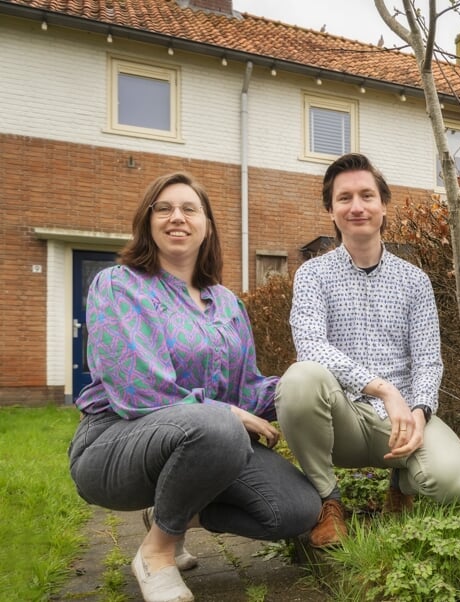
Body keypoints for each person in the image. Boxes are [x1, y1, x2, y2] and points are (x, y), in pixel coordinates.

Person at [68, 173, 321, 602]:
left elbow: (247, 391)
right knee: (218, 425)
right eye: (163, 208)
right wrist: (227, 414)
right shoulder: (118, 285)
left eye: (189, 209)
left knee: (296, 509)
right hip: (113, 442)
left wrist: (307, 386)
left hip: (208, 442)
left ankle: (173, 511)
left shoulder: (228, 304)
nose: (176, 218)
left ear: (207, 225)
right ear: (147, 221)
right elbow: (137, 389)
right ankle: (158, 553)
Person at [276, 153, 460, 548]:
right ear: (331, 211)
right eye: (344, 198)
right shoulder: (312, 275)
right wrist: (381, 388)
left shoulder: (415, 281)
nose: (357, 206)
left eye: (367, 195)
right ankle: (327, 503)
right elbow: (311, 345)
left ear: (383, 205)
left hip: (401, 422)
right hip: (341, 417)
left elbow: (428, 360)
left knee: (452, 482)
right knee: (299, 380)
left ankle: (402, 485)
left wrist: (420, 410)